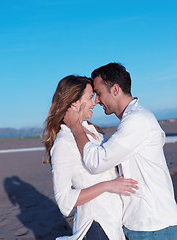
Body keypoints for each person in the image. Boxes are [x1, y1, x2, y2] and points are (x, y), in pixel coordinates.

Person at [64, 63, 177, 240]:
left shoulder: (137, 120)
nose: (97, 101)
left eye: (99, 93)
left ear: (115, 90)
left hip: (153, 225)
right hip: (143, 224)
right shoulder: (133, 120)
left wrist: (75, 127)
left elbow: (97, 163)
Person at [43, 75, 138, 240]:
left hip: (116, 224)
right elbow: (64, 202)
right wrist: (107, 185)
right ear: (75, 102)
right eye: (89, 97)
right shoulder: (64, 142)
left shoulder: (93, 132)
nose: (95, 102)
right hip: (96, 226)